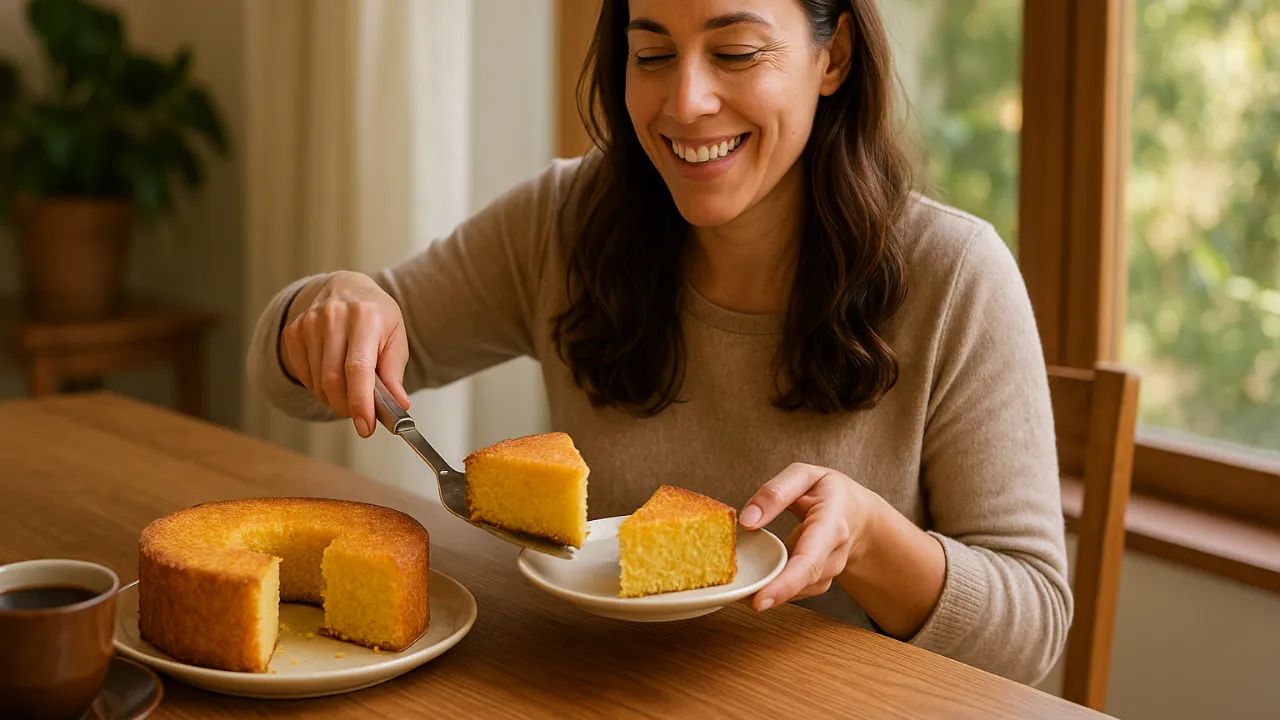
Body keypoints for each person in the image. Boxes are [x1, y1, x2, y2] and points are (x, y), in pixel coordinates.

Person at [248, 0, 1071, 685]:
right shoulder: (563, 224)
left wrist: (870, 543)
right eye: (651, 55)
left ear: (835, 56)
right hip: (591, 694)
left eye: (736, 52)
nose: (686, 102)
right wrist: (325, 307)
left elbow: (1031, 633)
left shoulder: (955, 275)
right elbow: (287, 381)